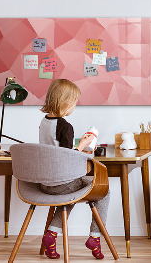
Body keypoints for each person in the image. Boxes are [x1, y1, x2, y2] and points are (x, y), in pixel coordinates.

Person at [39, 79, 109, 260]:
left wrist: (78, 146)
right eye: (74, 102)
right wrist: (84, 145)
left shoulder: (44, 122)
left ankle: (51, 235)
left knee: (69, 194)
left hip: (45, 183)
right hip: (62, 183)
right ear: (65, 102)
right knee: (104, 191)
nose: (74, 106)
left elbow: (56, 151)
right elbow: (67, 158)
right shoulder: (65, 126)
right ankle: (95, 237)